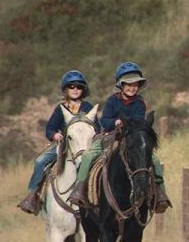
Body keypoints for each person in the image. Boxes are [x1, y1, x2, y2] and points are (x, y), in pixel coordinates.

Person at [66, 62, 171, 212]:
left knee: (154, 159)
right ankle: (79, 188)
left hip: (131, 138)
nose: (132, 87)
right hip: (110, 136)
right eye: (128, 84)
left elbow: (138, 122)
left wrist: (130, 125)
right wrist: (116, 122)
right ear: (121, 85)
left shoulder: (139, 103)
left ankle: (160, 194)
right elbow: (104, 121)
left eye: (135, 84)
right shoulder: (112, 100)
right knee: (89, 155)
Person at [17, 70, 99, 215]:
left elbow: (97, 128)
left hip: (84, 146)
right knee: (41, 161)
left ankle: (99, 198)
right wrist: (55, 135)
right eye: (71, 86)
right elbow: (50, 128)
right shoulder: (60, 108)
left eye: (79, 87)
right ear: (65, 89)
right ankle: (33, 195)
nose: (75, 90)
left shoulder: (87, 107)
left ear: (83, 90)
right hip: (63, 144)